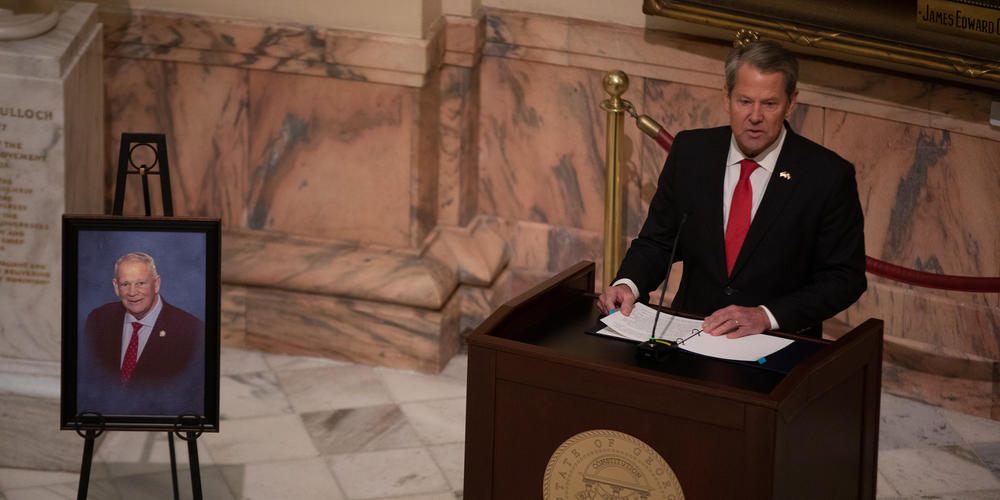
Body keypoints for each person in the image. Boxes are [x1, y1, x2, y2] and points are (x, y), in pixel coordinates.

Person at [597, 40, 866, 339]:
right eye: (744, 101)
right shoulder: (692, 153)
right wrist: (628, 284)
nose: (755, 116)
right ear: (726, 97)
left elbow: (845, 278)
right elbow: (657, 242)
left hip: (776, 342)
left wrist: (767, 315)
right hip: (690, 333)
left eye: (769, 104)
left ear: (791, 103)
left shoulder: (826, 175)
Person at [77, 251, 205, 416]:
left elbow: (191, 397)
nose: (132, 292)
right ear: (116, 287)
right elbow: (88, 379)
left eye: (140, 283)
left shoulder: (191, 330)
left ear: (156, 284)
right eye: (125, 284)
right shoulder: (98, 319)